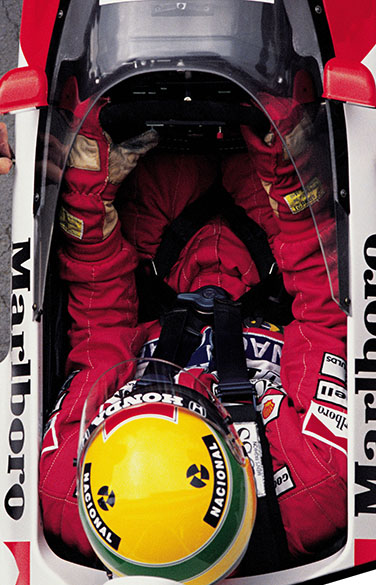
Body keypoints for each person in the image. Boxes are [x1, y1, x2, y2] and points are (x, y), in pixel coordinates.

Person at [0, 90, 348, 575]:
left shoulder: (69, 491)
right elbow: (328, 311)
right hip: (275, 255)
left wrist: (83, 200)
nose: (185, 385)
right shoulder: (317, 489)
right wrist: (289, 169)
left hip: (150, 254)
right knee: (286, 106)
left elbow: (97, 331)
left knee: (84, 124)